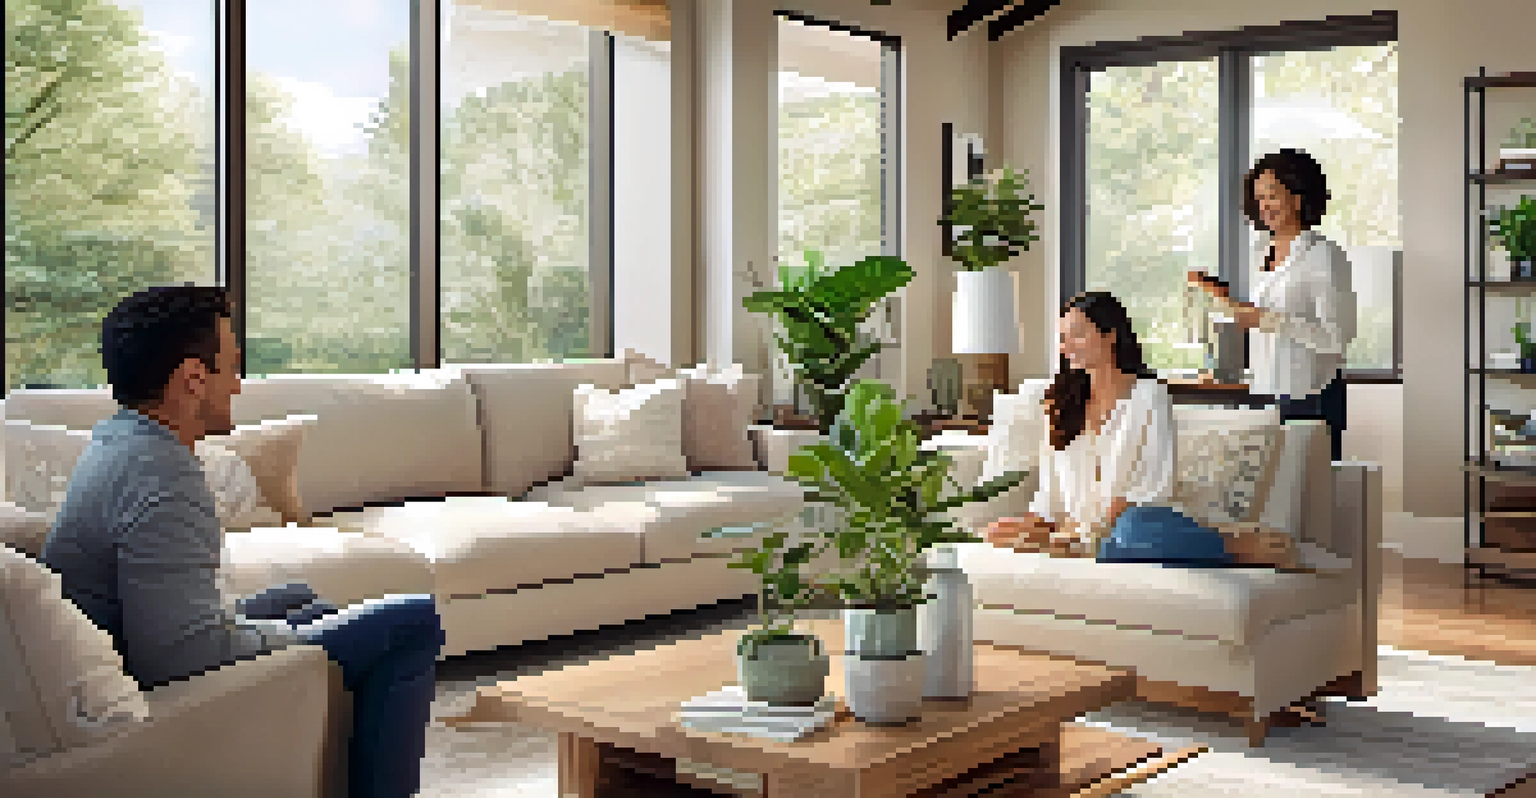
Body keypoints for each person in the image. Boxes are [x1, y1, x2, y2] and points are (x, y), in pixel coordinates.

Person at [40, 285, 443, 798]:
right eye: (231, 366)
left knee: (298, 598)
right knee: (411, 620)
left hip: (119, 652)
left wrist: (284, 625)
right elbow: (177, 655)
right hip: (143, 686)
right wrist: (288, 640)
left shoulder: (118, 442)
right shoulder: (162, 477)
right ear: (193, 378)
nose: (238, 384)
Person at [980, 292, 1232, 566]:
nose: (1066, 347)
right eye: (1062, 338)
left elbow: (1151, 489)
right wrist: (1026, 528)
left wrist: (1080, 533)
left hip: (1138, 524)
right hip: (1083, 534)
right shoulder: (1058, 403)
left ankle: (1231, 546)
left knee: (1132, 529)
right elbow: (1050, 496)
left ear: (1110, 335)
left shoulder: (1149, 394)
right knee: (998, 535)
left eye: (1077, 334)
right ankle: (1090, 548)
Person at [1190, 147, 1357, 462]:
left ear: (1297, 198)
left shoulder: (1324, 255)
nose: (1263, 206)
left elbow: (1338, 337)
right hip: (1265, 390)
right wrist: (1219, 296)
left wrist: (1271, 321)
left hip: (1311, 395)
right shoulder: (1260, 251)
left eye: (1271, 196)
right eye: (1259, 197)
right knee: (1268, 497)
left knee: (1308, 501)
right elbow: (1260, 317)